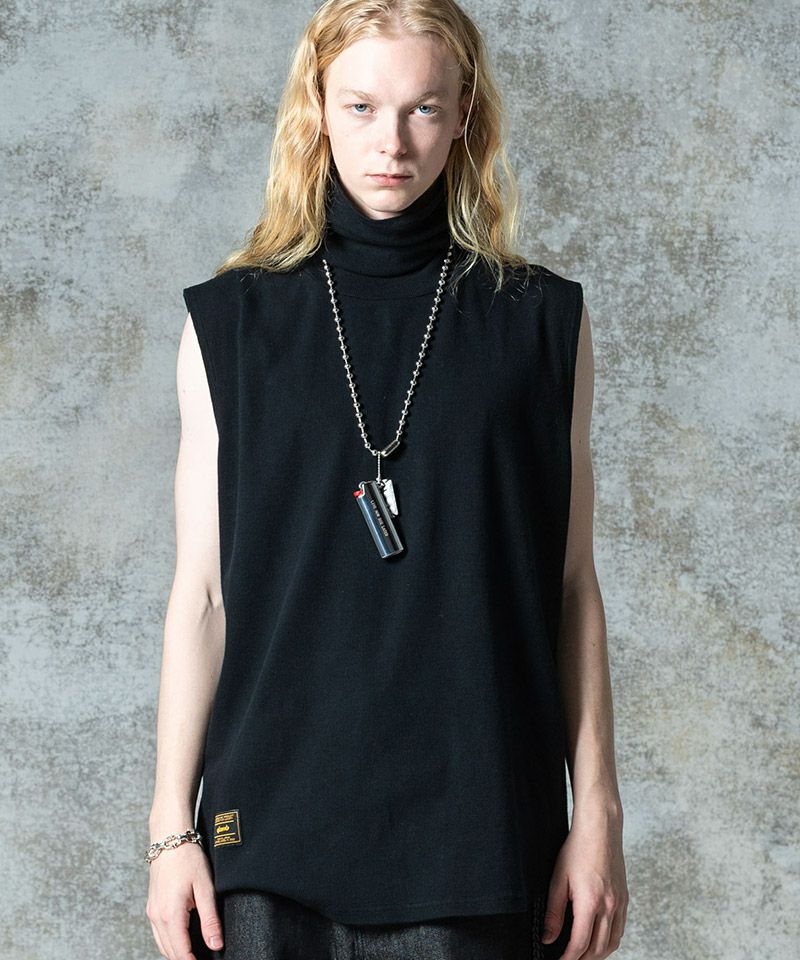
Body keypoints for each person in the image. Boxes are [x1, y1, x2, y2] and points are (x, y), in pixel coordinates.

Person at [146, 1, 628, 958]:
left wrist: (599, 815)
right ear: (318, 109)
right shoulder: (228, 324)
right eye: (362, 106)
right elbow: (201, 595)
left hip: (483, 834)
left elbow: (572, 588)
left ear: (464, 116)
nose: (392, 143)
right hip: (267, 840)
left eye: (423, 108)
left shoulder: (541, 323)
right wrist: (171, 830)